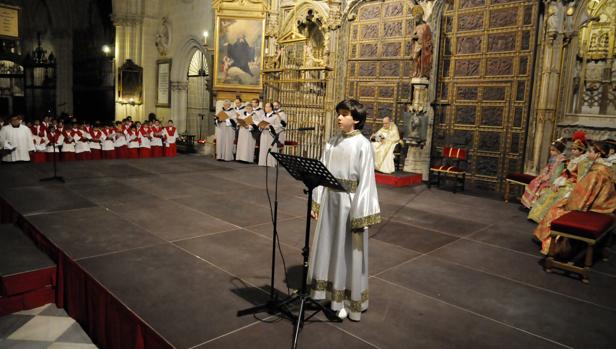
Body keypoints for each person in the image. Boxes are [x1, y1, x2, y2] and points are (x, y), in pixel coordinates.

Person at [308, 99, 381, 322]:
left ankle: (346, 299)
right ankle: (328, 293)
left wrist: (361, 214)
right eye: (338, 113)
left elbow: (367, 181)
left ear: (356, 119)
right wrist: (317, 201)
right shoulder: (332, 141)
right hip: (330, 200)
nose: (339, 117)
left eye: (344, 114)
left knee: (347, 251)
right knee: (329, 246)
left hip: (349, 205)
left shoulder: (363, 145)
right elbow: (321, 171)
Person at [533, 141, 616, 255]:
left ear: (598, 154)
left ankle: (554, 247)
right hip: (604, 206)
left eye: (590, 152)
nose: (588, 154)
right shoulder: (606, 169)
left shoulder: (596, 173)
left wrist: (569, 205)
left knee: (556, 210)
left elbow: (585, 196)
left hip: (596, 208)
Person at [528, 132, 591, 223]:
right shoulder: (572, 160)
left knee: (559, 196)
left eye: (575, 149)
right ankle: (538, 216)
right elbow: (565, 172)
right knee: (551, 191)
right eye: (572, 149)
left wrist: (568, 181)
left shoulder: (584, 161)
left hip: (574, 183)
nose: (573, 151)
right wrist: (558, 182)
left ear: (581, 151)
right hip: (566, 180)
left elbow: (581, 176)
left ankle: (552, 220)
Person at [521, 139, 567, 208]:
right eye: (551, 150)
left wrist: (547, 177)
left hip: (554, 178)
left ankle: (535, 205)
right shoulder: (553, 157)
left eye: (553, 150)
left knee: (541, 186)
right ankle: (529, 203)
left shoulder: (561, 159)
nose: (551, 152)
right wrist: (543, 174)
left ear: (559, 150)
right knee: (534, 182)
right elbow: (547, 167)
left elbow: (555, 171)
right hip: (548, 174)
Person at [258, 102, 283, 167]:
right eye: (265, 107)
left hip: (271, 134)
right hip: (263, 133)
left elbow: (278, 126)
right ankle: (262, 162)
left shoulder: (275, 116)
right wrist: (260, 126)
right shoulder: (263, 116)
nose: (265, 108)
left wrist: (270, 126)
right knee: (263, 148)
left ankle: (270, 163)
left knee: (270, 148)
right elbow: (259, 123)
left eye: (267, 107)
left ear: (271, 108)